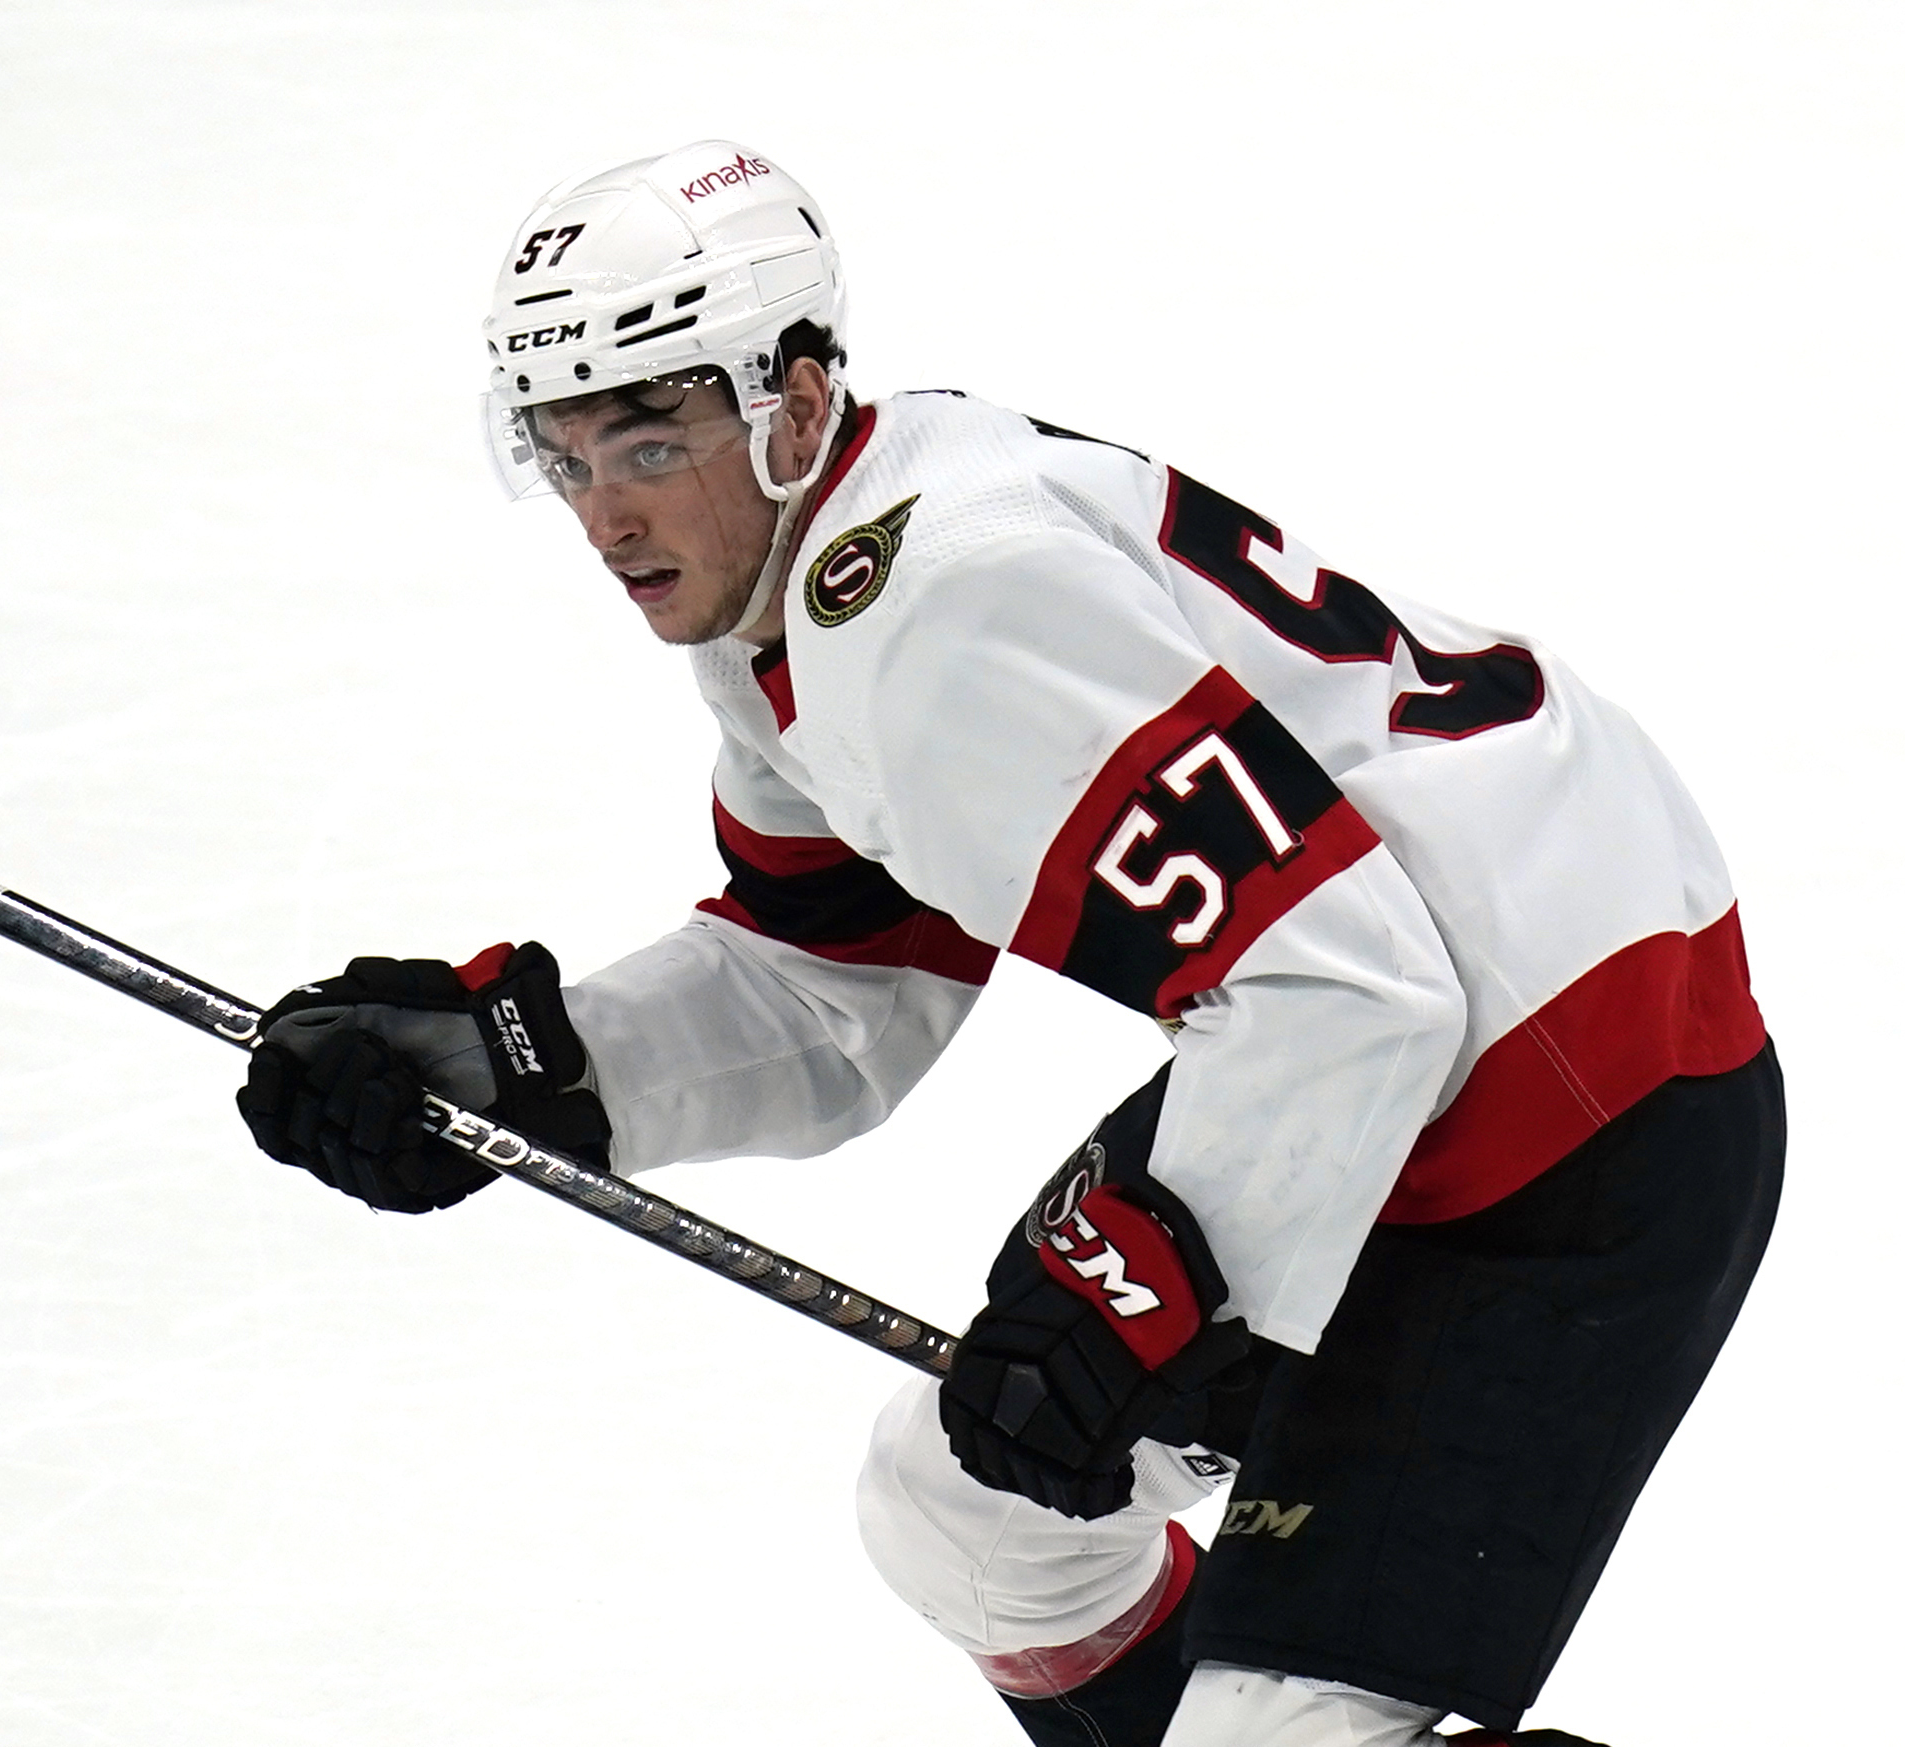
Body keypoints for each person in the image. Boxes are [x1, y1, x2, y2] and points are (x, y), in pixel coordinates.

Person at [232, 140, 1780, 1747]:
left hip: (1571, 1113)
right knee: (972, 1518)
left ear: (797, 403)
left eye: (650, 434)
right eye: (564, 455)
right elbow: (839, 983)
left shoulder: (942, 608)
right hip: (1407, 1053)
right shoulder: (809, 595)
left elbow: (1351, 987)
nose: (607, 512)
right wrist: (534, 1067)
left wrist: (1140, 1295)